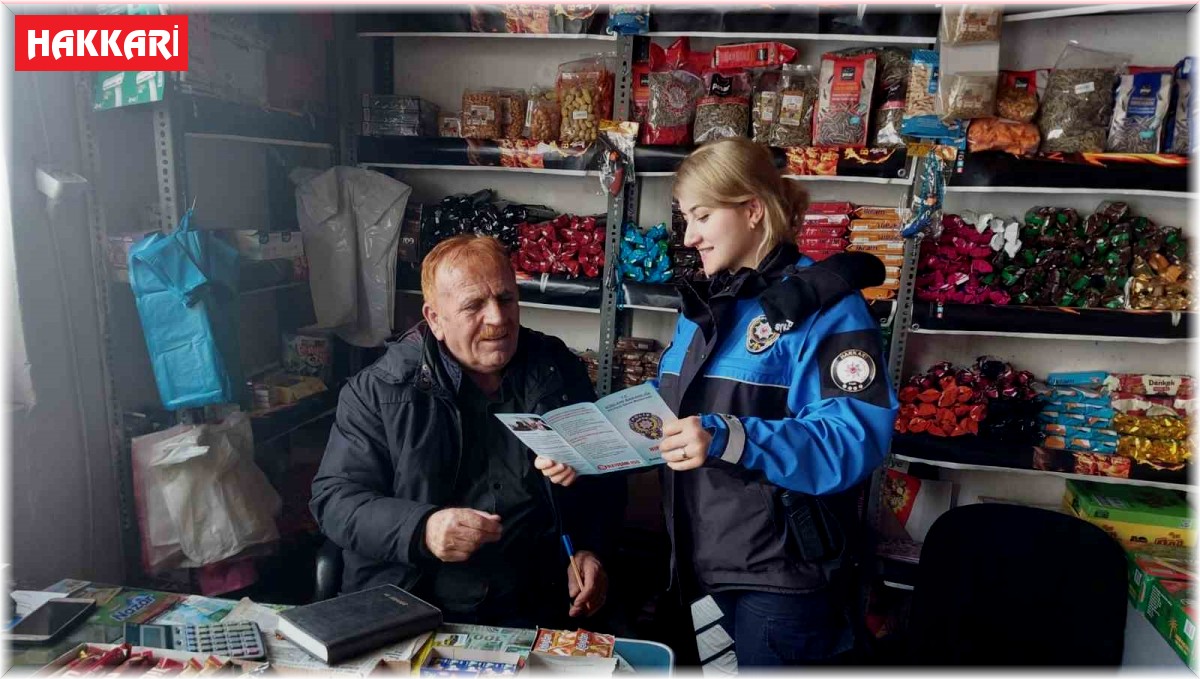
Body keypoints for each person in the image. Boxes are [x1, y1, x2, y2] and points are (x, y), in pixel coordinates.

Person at [536, 137, 898, 666]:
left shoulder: (825, 310)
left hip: (780, 581)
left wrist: (733, 436)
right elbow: (668, 423)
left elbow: (854, 439)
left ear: (753, 210)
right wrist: (585, 452)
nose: (690, 235)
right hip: (699, 565)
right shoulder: (707, 305)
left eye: (702, 216)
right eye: (685, 218)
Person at [311, 234, 625, 627]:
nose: (497, 318)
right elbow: (334, 500)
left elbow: (603, 480)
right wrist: (421, 529)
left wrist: (590, 551)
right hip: (415, 600)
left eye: (506, 299)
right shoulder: (379, 390)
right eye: (474, 305)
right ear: (435, 320)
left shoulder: (556, 368)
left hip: (538, 600)